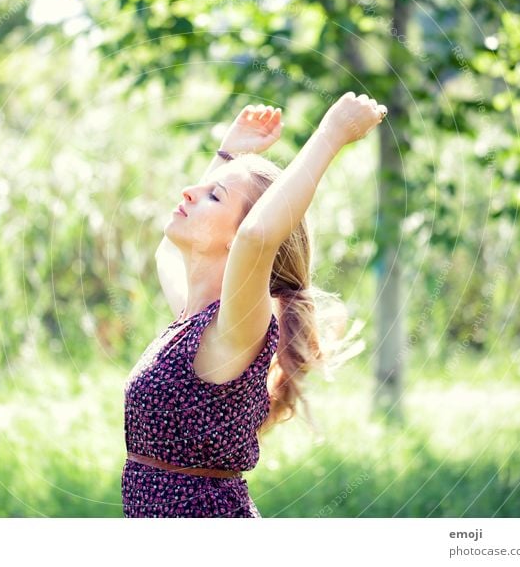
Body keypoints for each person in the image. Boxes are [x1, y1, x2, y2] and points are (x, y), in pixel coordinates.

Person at [122, 92, 387, 517]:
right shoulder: (192, 321)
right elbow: (165, 255)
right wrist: (229, 154)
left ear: (237, 235)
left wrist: (332, 134)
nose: (189, 192)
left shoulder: (234, 328)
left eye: (213, 197)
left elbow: (257, 237)